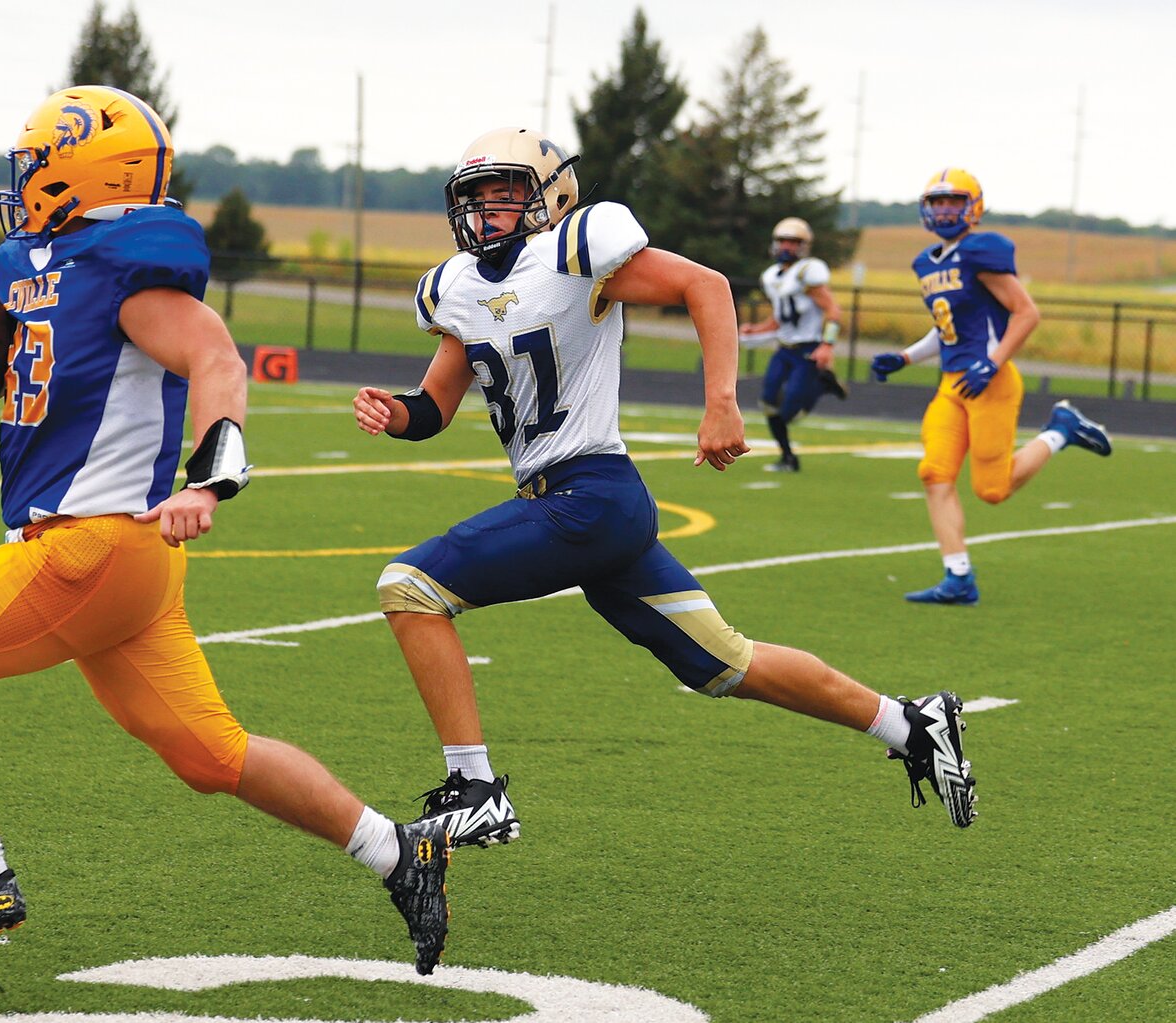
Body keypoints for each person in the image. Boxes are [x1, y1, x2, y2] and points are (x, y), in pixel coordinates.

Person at [0, 86, 449, 976]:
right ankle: (394, 849)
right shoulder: (48, 263)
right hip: (122, 564)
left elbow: (215, 355)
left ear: (79, 173)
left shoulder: (121, 265)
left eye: (35, 168)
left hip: (91, 545)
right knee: (212, 753)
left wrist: (211, 478)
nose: (21, 184)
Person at [352, 127, 980, 840]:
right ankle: (911, 722)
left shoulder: (576, 249)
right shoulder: (454, 289)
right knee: (724, 662)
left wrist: (721, 401)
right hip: (587, 509)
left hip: (589, 495)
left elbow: (703, 285)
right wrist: (395, 411)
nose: (488, 211)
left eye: (507, 194)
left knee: (409, 586)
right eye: (476, 198)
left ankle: (474, 786)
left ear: (551, 196)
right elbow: (435, 406)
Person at [870, 168, 1112, 605]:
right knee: (933, 473)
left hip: (991, 383)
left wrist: (991, 363)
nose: (944, 210)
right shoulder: (926, 262)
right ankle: (958, 578)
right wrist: (905, 357)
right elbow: (946, 328)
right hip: (951, 384)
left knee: (992, 490)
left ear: (973, 206)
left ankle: (1061, 429)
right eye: (937, 202)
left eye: (953, 201)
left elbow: (1026, 313)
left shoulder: (983, 251)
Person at [738, 217, 849, 472]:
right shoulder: (771, 276)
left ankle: (822, 384)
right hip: (784, 349)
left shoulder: (807, 272)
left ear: (803, 246)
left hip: (808, 350)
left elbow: (833, 310)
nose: (787, 246)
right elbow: (780, 318)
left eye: (793, 242)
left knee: (789, 412)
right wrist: (757, 329)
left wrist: (827, 345)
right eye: (783, 241)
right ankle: (788, 457)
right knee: (768, 403)